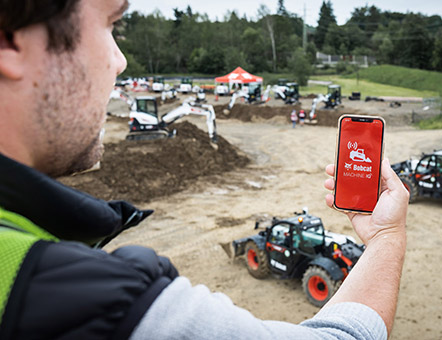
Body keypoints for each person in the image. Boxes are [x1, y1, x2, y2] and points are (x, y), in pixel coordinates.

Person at [0, 1, 409, 339]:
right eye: (111, 25)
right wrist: (387, 237)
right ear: (10, 42)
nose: (120, 61)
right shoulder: (102, 304)